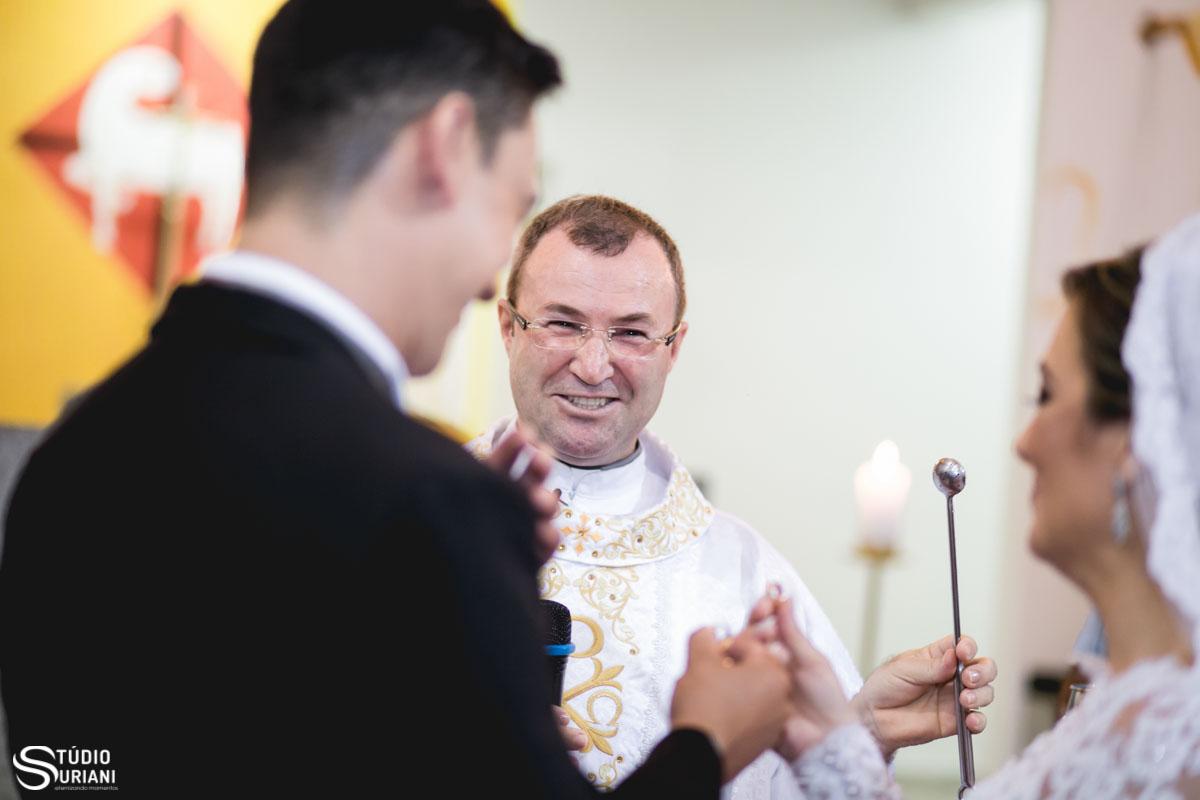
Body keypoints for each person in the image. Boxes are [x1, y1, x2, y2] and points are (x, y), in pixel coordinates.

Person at [0, 4, 794, 798]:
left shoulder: (72, 453)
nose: (491, 276)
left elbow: (79, 773)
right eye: (509, 205)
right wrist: (705, 743)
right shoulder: (424, 501)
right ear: (445, 146)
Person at [469, 195, 998, 796]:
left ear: (674, 347)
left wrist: (860, 729)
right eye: (563, 323)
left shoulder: (743, 571)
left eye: (632, 333)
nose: (593, 366)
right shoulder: (412, 522)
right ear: (509, 326)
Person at [770, 213, 1200, 797]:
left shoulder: (1168, 738)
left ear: (1133, 440)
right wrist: (860, 733)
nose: (1025, 442)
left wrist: (837, 751)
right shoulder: (1122, 716)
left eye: (1046, 395)